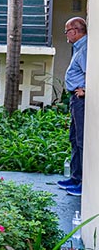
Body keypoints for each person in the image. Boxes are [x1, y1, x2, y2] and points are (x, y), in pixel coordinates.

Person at [57, 17, 87, 197]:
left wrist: (86, 89)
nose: (66, 34)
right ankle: (75, 178)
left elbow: (92, 72)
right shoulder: (79, 47)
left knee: (81, 140)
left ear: (75, 31)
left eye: (67, 31)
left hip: (81, 100)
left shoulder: (85, 48)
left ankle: (83, 183)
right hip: (76, 99)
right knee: (75, 139)